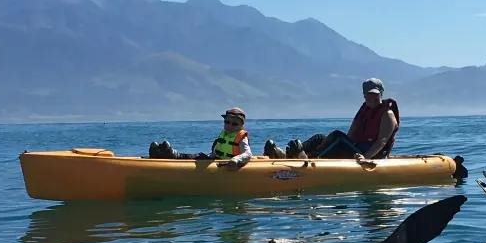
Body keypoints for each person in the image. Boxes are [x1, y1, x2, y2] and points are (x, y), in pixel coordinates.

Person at [264, 78, 400, 161]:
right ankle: (289, 155)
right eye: (368, 95)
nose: (371, 98)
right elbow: (351, 134)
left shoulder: (387, 114)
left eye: (375, 95)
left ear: (381, 94)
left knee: (337, 136)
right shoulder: (364, 110)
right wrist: (343, 147)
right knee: (320, 138)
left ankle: (308, 159)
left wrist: (365, 158)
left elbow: (381, 142)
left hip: (371, 155)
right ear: (364, 95)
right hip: (357, 149)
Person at [149, 107, 252, 170]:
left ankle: (170, 154)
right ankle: (168, 154)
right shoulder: (224, 134)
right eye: (227, 122)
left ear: (241, 126)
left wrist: (236, 159)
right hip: (215, 159)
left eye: (234, 124)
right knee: (197, 156)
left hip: (229, 164)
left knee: (200, 158)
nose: (229, 125)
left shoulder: (241, 138)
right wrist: (210, 157)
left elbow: (247, 154)